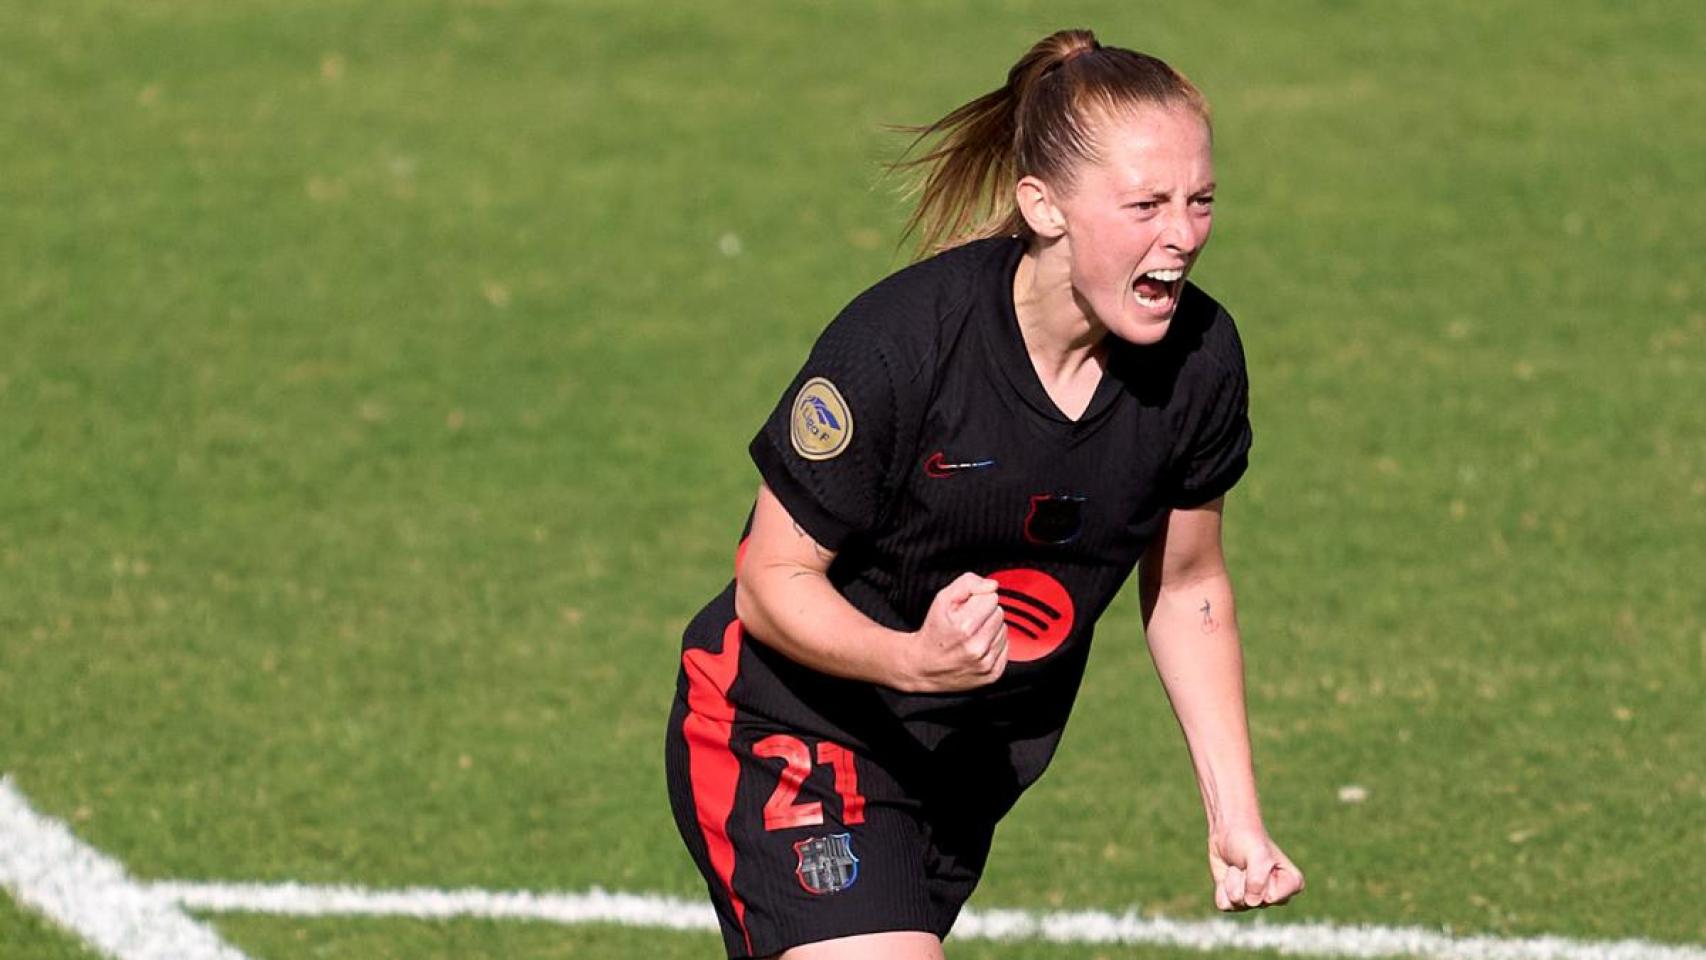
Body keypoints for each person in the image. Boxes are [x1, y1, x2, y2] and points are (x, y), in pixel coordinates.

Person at [664, 28, 1304, 959]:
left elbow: (1190, 584)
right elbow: (770, 581)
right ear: (1042, 206)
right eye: (1145, 205)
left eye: (1200, 200)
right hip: (789, 730)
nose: (1183, 235)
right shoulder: (900, 348)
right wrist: (912, 660)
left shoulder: (1199, 365)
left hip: (963, 772)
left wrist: (1234, 814)